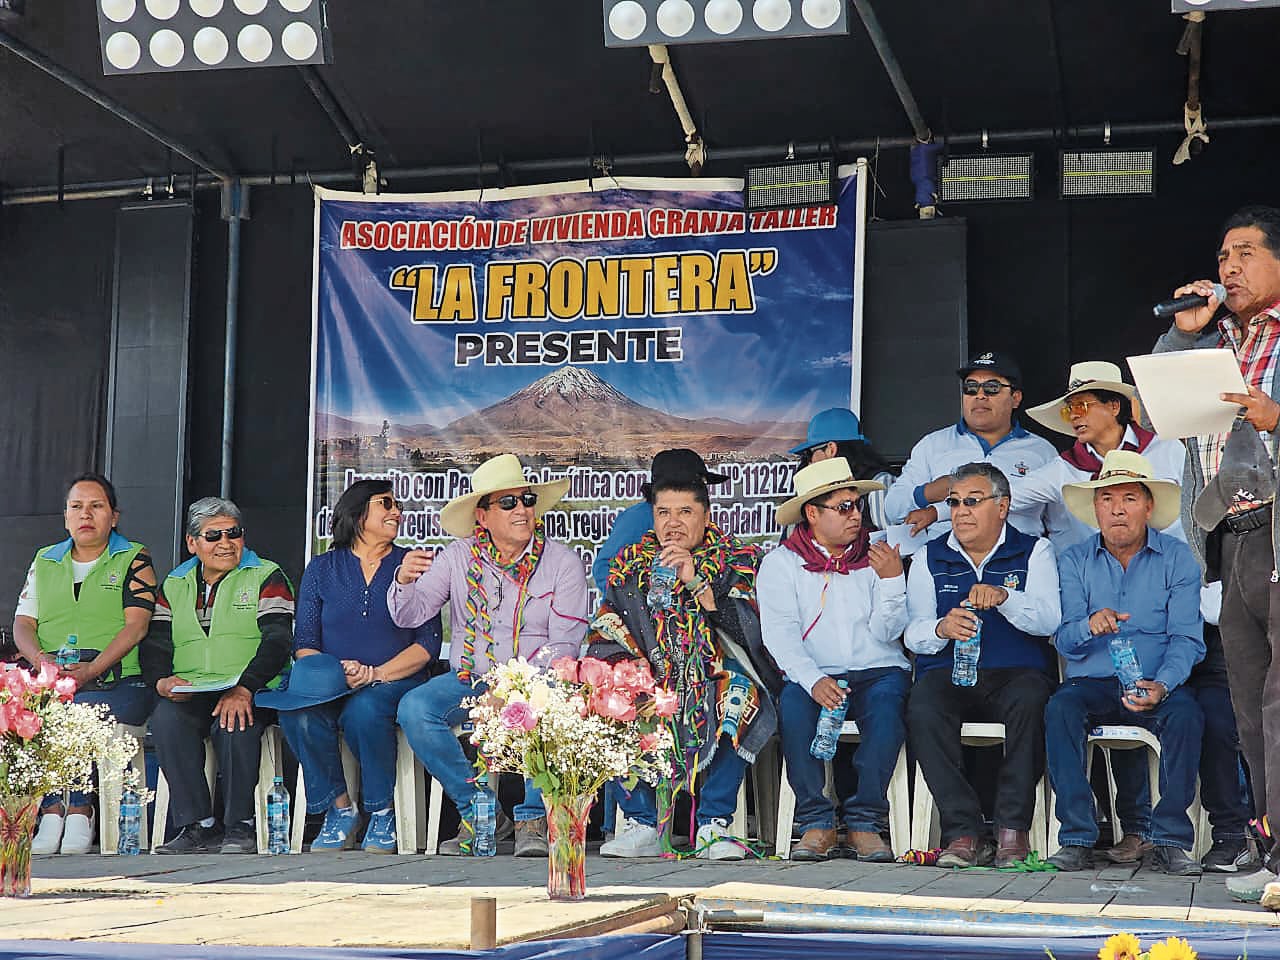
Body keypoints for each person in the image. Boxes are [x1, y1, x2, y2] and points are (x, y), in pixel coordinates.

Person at [1152, 205, 1280, 902]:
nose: (1228, 267)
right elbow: (1161, 410)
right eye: (1224, 255)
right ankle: (1269, 845)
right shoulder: (1217, 338)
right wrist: (1184, 332)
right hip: (1230, 538)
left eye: (1245, 252)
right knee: (1250, 701)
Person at [391, 454, 589, 857]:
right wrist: (403, 581)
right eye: (509, 503)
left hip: (536, 679)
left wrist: (515, 687)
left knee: (548, 697)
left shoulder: (562, 563)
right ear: (482, 517)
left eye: (527, 500)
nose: (523, 510)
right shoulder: (457, 556)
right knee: (414, 708)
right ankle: (480, 813)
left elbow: (565, 646)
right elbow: (411, 613)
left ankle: (532, 818)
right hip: (470, 678)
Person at [588, 450, 780, 860]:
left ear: (707, 516)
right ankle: (642, 823)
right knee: (611, 698)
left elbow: (757, 635)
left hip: (715, 676)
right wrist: (626, 673)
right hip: (654, 677)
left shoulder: (738, 561)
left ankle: (713, 824)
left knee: (740, 696)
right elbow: (607, 630)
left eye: (685, 511)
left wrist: (697, 583)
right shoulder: (629, 565)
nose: (673, 524)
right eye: (663, 513)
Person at [256, 479, 443, 853]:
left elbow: (428, 646)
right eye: (385, 504)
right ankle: (339, 809)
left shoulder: (410, 564)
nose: (396, 511)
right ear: (358, 514)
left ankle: (381, 811)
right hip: (334, 679)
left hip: (395, 679)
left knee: (365, 710)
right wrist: (336, 671)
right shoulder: (323, 568)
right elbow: (305, 642)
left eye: (397, 505)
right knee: (299, 716)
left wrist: (375, 674)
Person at [1045, 451, 1206, 875]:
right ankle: (1077, 837)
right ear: (1095, 508)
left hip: (1155, 680)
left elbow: (1188, 640)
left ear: (1148, 506)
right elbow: (1062, 639)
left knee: (1187, 713)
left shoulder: (1178, 558)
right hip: (1093, 683)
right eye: (1107, 499)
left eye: (1130, 498)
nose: (1118, 509)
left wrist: (1164, 684)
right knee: (1060, 707)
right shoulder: (1074, 560)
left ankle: (1169, 840)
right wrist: (1087, 626)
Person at [905, 462, 1061, 868]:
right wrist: (940, 628)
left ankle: (1012, 831)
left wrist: (1007, 599)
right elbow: (912, 632)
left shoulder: (1034, 550)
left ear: (1003, 507)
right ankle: (962, 832)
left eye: (972, 501)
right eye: (954, 502)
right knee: (922, 705)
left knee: (1033, 701)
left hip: (1016, 672)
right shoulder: (930, 555)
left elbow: (1049, 620)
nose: (961, 512)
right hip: (950, 673)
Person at [758, 457, 908, 861]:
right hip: (814, 673)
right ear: (812, 513)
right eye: (843, 507)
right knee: (793, 703)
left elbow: (888, 634)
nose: (855, 515)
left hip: (876, 670)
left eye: (856, 505)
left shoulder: (878, 556)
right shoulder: (782, 563)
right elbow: (780, 634)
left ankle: (865, 822)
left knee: (889, 701)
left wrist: (893, 582)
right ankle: (815, 822)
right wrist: (812, 678)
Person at [140, 497, 295, 855]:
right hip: (194, 687)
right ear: (192, 543)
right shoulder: (175, 583)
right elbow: (156, 642)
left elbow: (278, 642)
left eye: (233, 533)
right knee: (166, 720)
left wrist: (244, 688)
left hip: (255, 688)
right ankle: (199, 825)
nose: (226, 543)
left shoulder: (266, 575)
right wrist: (162, 681)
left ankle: (240, 824)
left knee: (234, 721)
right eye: (214, 536)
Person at [14, 473, 157, 855]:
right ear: (65, 517)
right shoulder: (45, 560)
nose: (86, 515)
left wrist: (92, 670)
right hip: (55, 679)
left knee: (77, 711)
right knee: (23, 713)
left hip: (120, 683)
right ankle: (49, 810)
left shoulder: (133, 557)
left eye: (96, 506)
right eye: (76, 507)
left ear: (114, 516)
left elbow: (137, 626)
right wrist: (43, 662)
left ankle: (78, 808)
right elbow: (23, 624)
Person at [1101, 582, 1258, 873]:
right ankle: (1139, 828)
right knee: (1129, 705)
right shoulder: (1173, 543)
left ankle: (1231, 834)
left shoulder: (1237, 544)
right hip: (1159, 657)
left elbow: (1215, 609)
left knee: (1215, 720)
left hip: (1217, 658)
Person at [885, 351, 1057, 545]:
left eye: (992, 388)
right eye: (971, 388)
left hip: (1020, 564)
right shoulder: (933, 444)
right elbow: (892, 509)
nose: (980, 396)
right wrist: (930, 492)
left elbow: (1062, 526)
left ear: (1015, 398)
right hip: (943, 564)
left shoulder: (1043, 451)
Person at [1018, 361, 1186, 549]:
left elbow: (1202, 501)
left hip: (1170, 568)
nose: (1074, 416)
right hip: (1087, 574)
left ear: (1114, 407)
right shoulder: (1063, 468)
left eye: (1080, 406)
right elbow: (1004, 498)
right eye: (1069, 410)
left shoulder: (1167, 448)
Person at [591, 449, 729, 595]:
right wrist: (635, 602)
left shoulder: (725, 552)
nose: (674, 522)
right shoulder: (638, 517)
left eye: (685, 512)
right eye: (699, 483)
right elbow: (603, 567)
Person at [790, 407, 897, 533]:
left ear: (831, 449)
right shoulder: (811, 492)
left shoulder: (879, 484)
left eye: (808, 453)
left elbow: (897, 542)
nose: (809, 462)